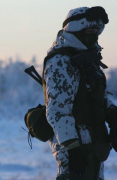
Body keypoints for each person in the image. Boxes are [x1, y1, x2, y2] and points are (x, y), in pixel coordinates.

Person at [43, 6, 117, 180]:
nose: (94, 35)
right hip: (72, 152)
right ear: (76, 29)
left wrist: (113, 114)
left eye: (97, 31)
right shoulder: (61, 62)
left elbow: (97, 95)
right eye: (89, 30)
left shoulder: (89, 60)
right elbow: (58, 110)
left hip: (94, 146)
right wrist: (72, 149)